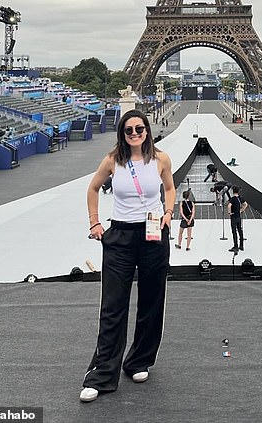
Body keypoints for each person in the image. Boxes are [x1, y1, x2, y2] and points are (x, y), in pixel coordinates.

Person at [80, 109, 175, 403]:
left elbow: (169, 188)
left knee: (152, 300)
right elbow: (93, 188)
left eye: (139, 129)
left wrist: (169, 214)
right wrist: (95, 222)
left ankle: (138, 361)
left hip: (153, 233)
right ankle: (102, 374)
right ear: (122, 133)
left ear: (147, 129)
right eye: (129, 130)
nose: (135, 134)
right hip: (120, 235)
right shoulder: (112, 160)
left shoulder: (161, 159)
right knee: (113, 305)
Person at [227, 185, 248, 254]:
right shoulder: (240, 198)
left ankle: (235, 246)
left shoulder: (232, 199)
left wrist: (229, 212)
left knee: (234, 231)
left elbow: (229, 206)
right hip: (239, 216)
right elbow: (245, 204)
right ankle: (241, 245)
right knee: (240, 230)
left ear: (233, 191)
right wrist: (241, 210)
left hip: (233, 217)